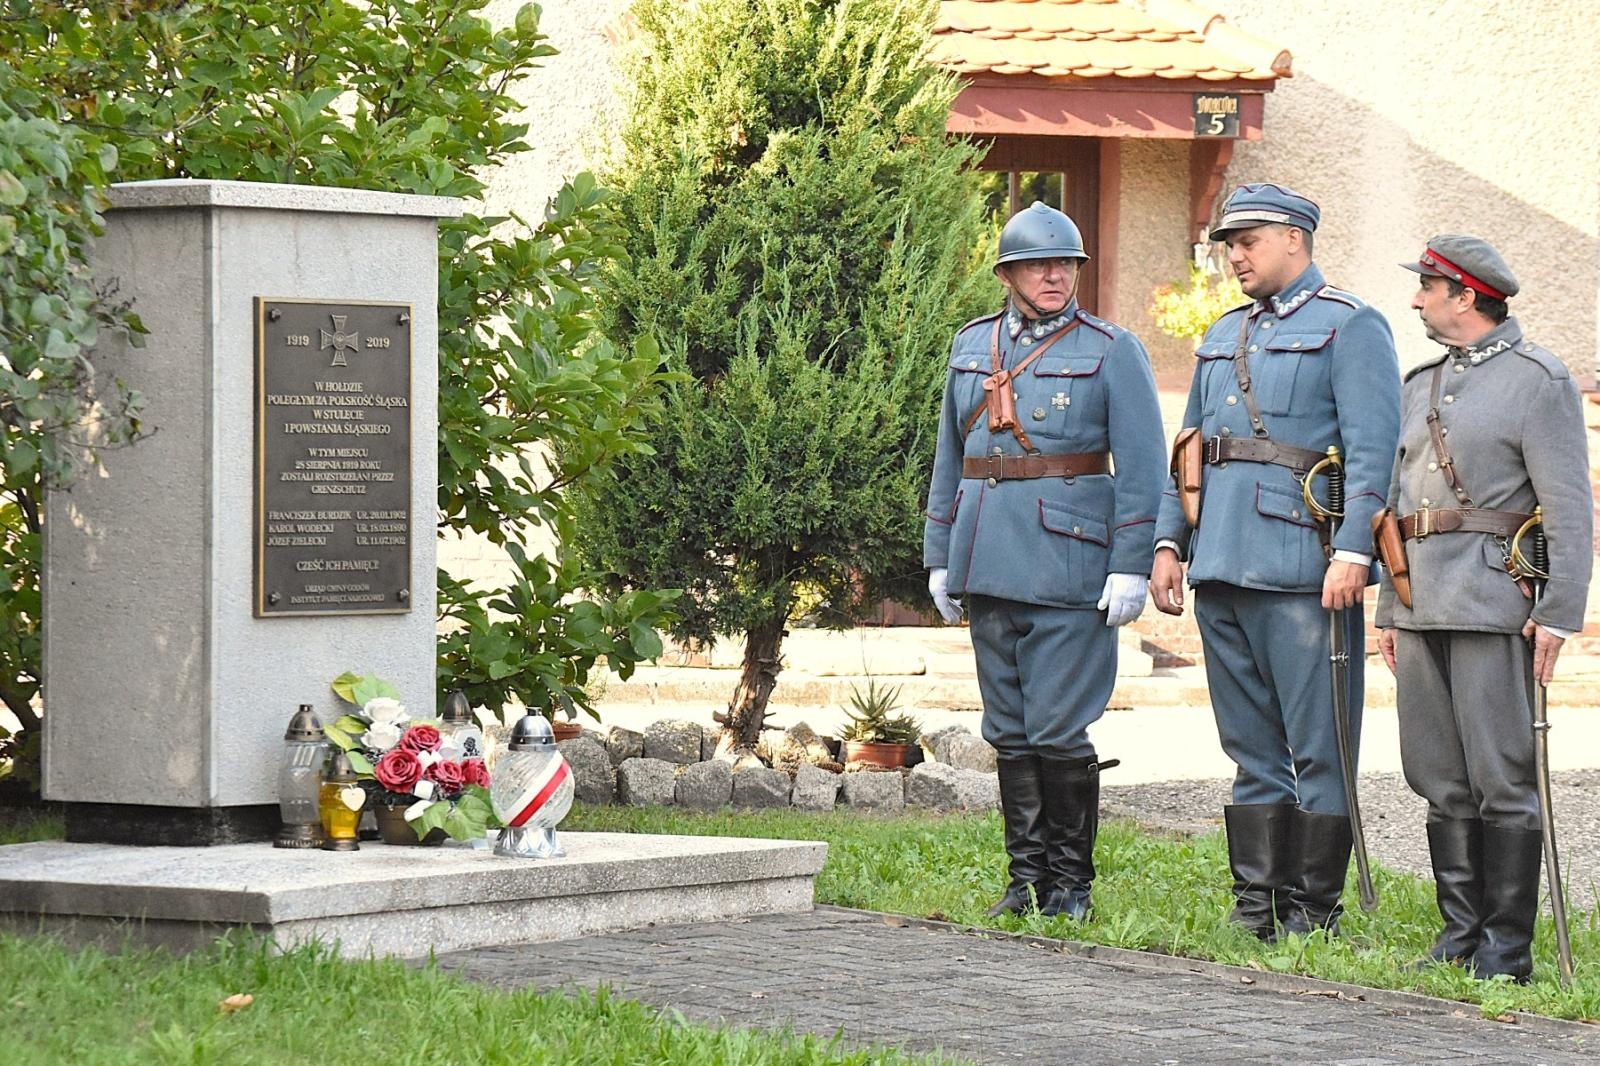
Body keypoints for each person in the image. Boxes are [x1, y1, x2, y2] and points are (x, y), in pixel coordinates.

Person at [1150, 183, 1400, 940]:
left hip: (1305, 572)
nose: (1235, 256)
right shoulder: (1224, 333)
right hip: (1221, 564)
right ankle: (1257, 902)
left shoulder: (1350, 325)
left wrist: (1354, 550)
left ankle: (1312, 911)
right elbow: (1189, 453)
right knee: (1250, 748)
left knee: (1320, 749)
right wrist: (1169, 543)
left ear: (1294, 238)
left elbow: (1373, 452)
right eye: (1230, 244)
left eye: (1248, 241)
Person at [923, 202, 1165, 920]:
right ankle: (1025, 880)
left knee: (1057, 728)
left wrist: (1132, 562)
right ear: (1007, 275)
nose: (1056, 275)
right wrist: (940, 553)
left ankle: (1071, 886)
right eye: (1038, 265)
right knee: (1008, 729)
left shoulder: (1111, 349)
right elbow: (950, 456)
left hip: (1068, 562)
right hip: (986, 556)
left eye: (1066, 264)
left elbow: (1145, 467)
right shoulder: (971, 345)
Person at [1375, 236, 1592, 982]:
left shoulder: (1539, 380)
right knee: (1437, 775)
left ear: (1466, 297)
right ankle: (1459, 933)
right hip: (1420, 604)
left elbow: (1569, 507)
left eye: (1428, 287)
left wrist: (1559, 611)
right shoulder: (1421, 384)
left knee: (1502, 779)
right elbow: (1396, 508)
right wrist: (1388, 606)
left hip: (1492, 602)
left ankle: (1506, 947)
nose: (1416, 299)